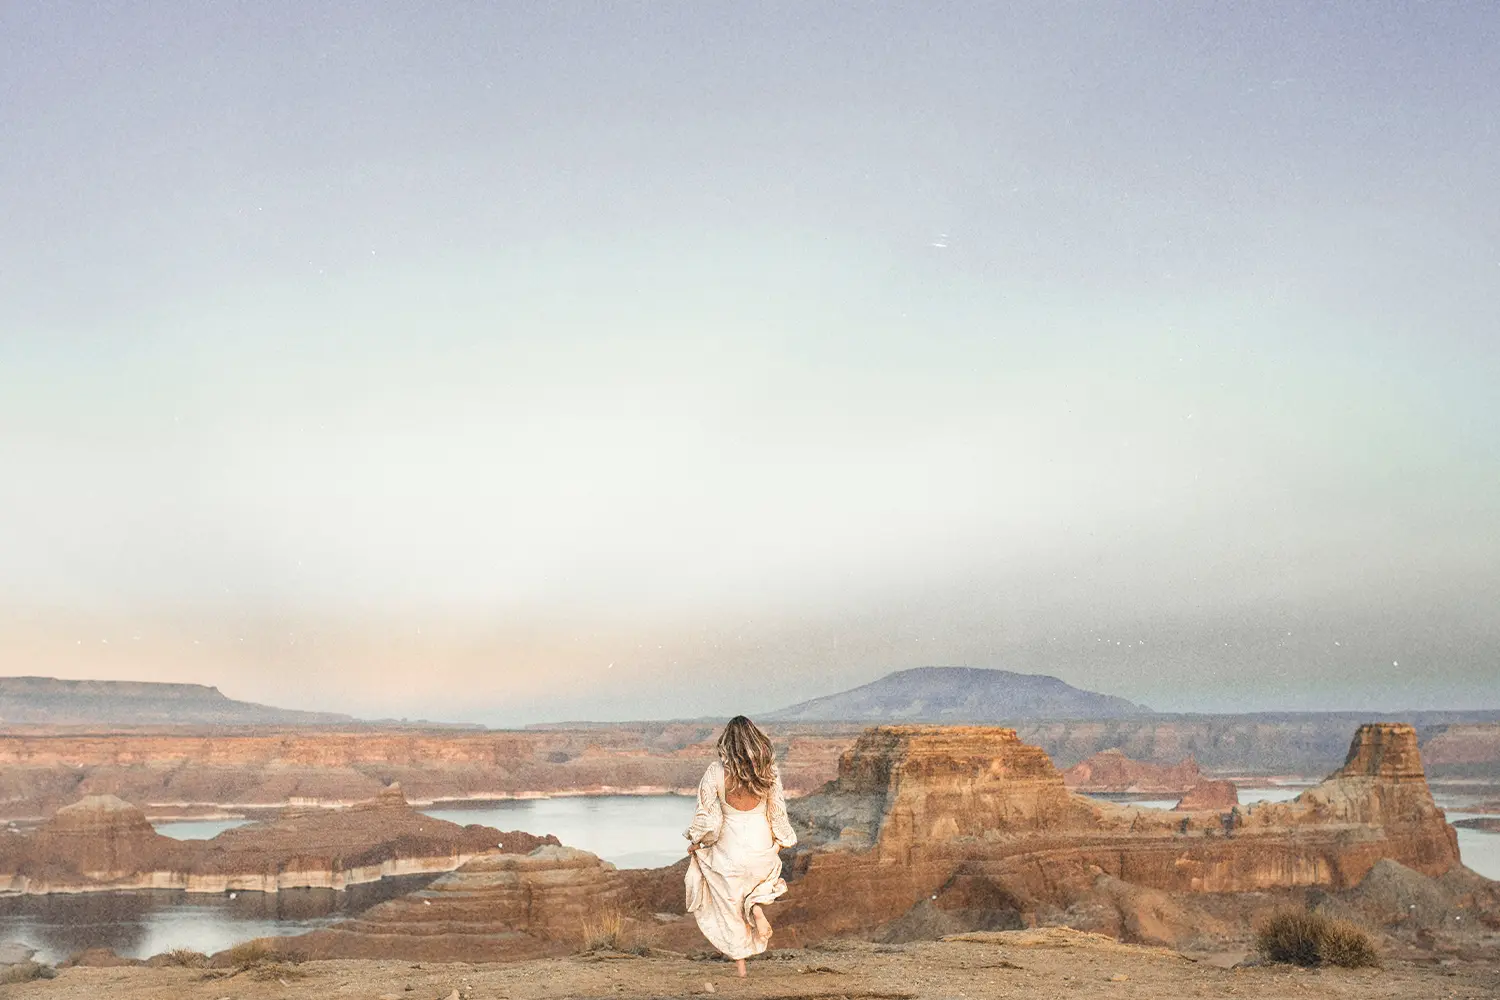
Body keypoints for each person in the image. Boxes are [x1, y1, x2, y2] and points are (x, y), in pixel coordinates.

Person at [683, 715, 797, 977]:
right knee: (758, 880)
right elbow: (777, 811)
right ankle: (756, 905)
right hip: (760, 843)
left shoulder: (716, 772)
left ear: (726, 742)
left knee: (728, 903)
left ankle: (741, 969)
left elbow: (709, 818)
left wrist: (697, 842)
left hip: (730, 848)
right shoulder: (768, 771)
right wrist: (780, 841)